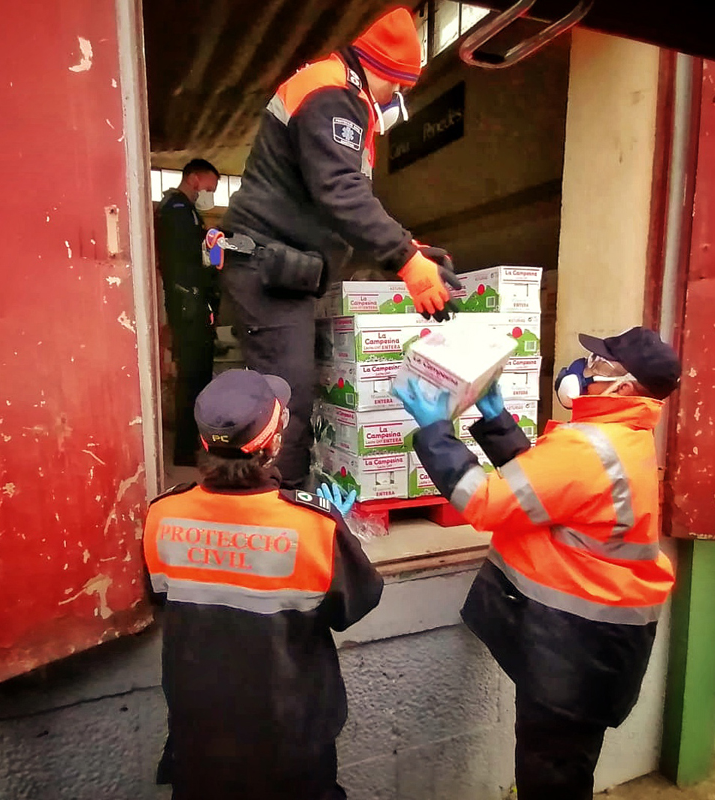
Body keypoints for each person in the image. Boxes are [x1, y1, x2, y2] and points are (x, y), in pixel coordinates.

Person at [394, 326, 683, 800]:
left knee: (551, 774)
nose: (583, 370)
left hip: (575, 648)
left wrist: (433, 431)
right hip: (591, 647)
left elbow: (486, 502)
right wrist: (496, 422)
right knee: (558, 765)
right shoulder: (617, 437)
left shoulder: (590, 448)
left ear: (624, 388)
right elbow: (547, 490)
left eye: (599, 366)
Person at [221, 6, 458, 488]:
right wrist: (406, 262)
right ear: (383, 72)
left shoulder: (338, 93)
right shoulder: (333, 95)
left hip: (287, 268)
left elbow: (340, 204)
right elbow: (340, 192)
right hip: (267, 265)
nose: (397, 100)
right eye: (399, 89)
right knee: (286, 401)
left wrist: (409, 249)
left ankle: (276, 498)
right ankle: (278, 517)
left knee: (291, 393)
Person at [143, 368, 381, 800]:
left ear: (203, 444)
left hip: (199, 743)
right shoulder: (312, 526)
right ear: (273, 446)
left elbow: (160, 594)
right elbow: (357, 604)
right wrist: (338, 532)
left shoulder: (162, 515)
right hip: (293, 746)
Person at [155, 158, 221, 466]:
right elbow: (185, 261)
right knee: (192, 377)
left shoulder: (187, 211)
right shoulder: (177, 211)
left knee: (198, 376)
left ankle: (192, 444)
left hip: (193, 303)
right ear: (194, 178)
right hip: (188, 304)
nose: (212, 192)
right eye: (211, 185)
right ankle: (184, 450)